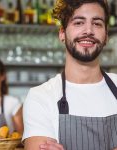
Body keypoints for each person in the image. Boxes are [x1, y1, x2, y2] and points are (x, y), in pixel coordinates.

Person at [22, 0, 117, 150]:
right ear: (62, 33)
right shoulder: (40, 97)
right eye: (79, 23)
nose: (88, 31)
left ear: (106, 36)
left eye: (97, 23)